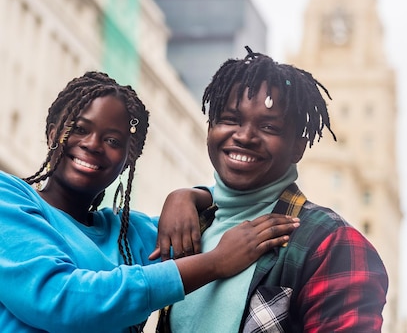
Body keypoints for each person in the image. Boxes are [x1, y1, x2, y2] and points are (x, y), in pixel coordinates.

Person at [0, 70, 300, 333]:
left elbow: (229, 205)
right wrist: (215, 263)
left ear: (128, 158)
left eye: (113, 141)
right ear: (54, 131)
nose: (92, 145)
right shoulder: (9, 199)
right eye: (79, 129)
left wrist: (187, 196)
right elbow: (60, 299)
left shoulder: (132, 235)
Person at [158, 46, 389, 333]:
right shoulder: (189, 225)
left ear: (297, 148)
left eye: (268, 127)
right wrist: (185, 195)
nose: (244, 136)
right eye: (230, 120)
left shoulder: (332, 243)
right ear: (209, 130)